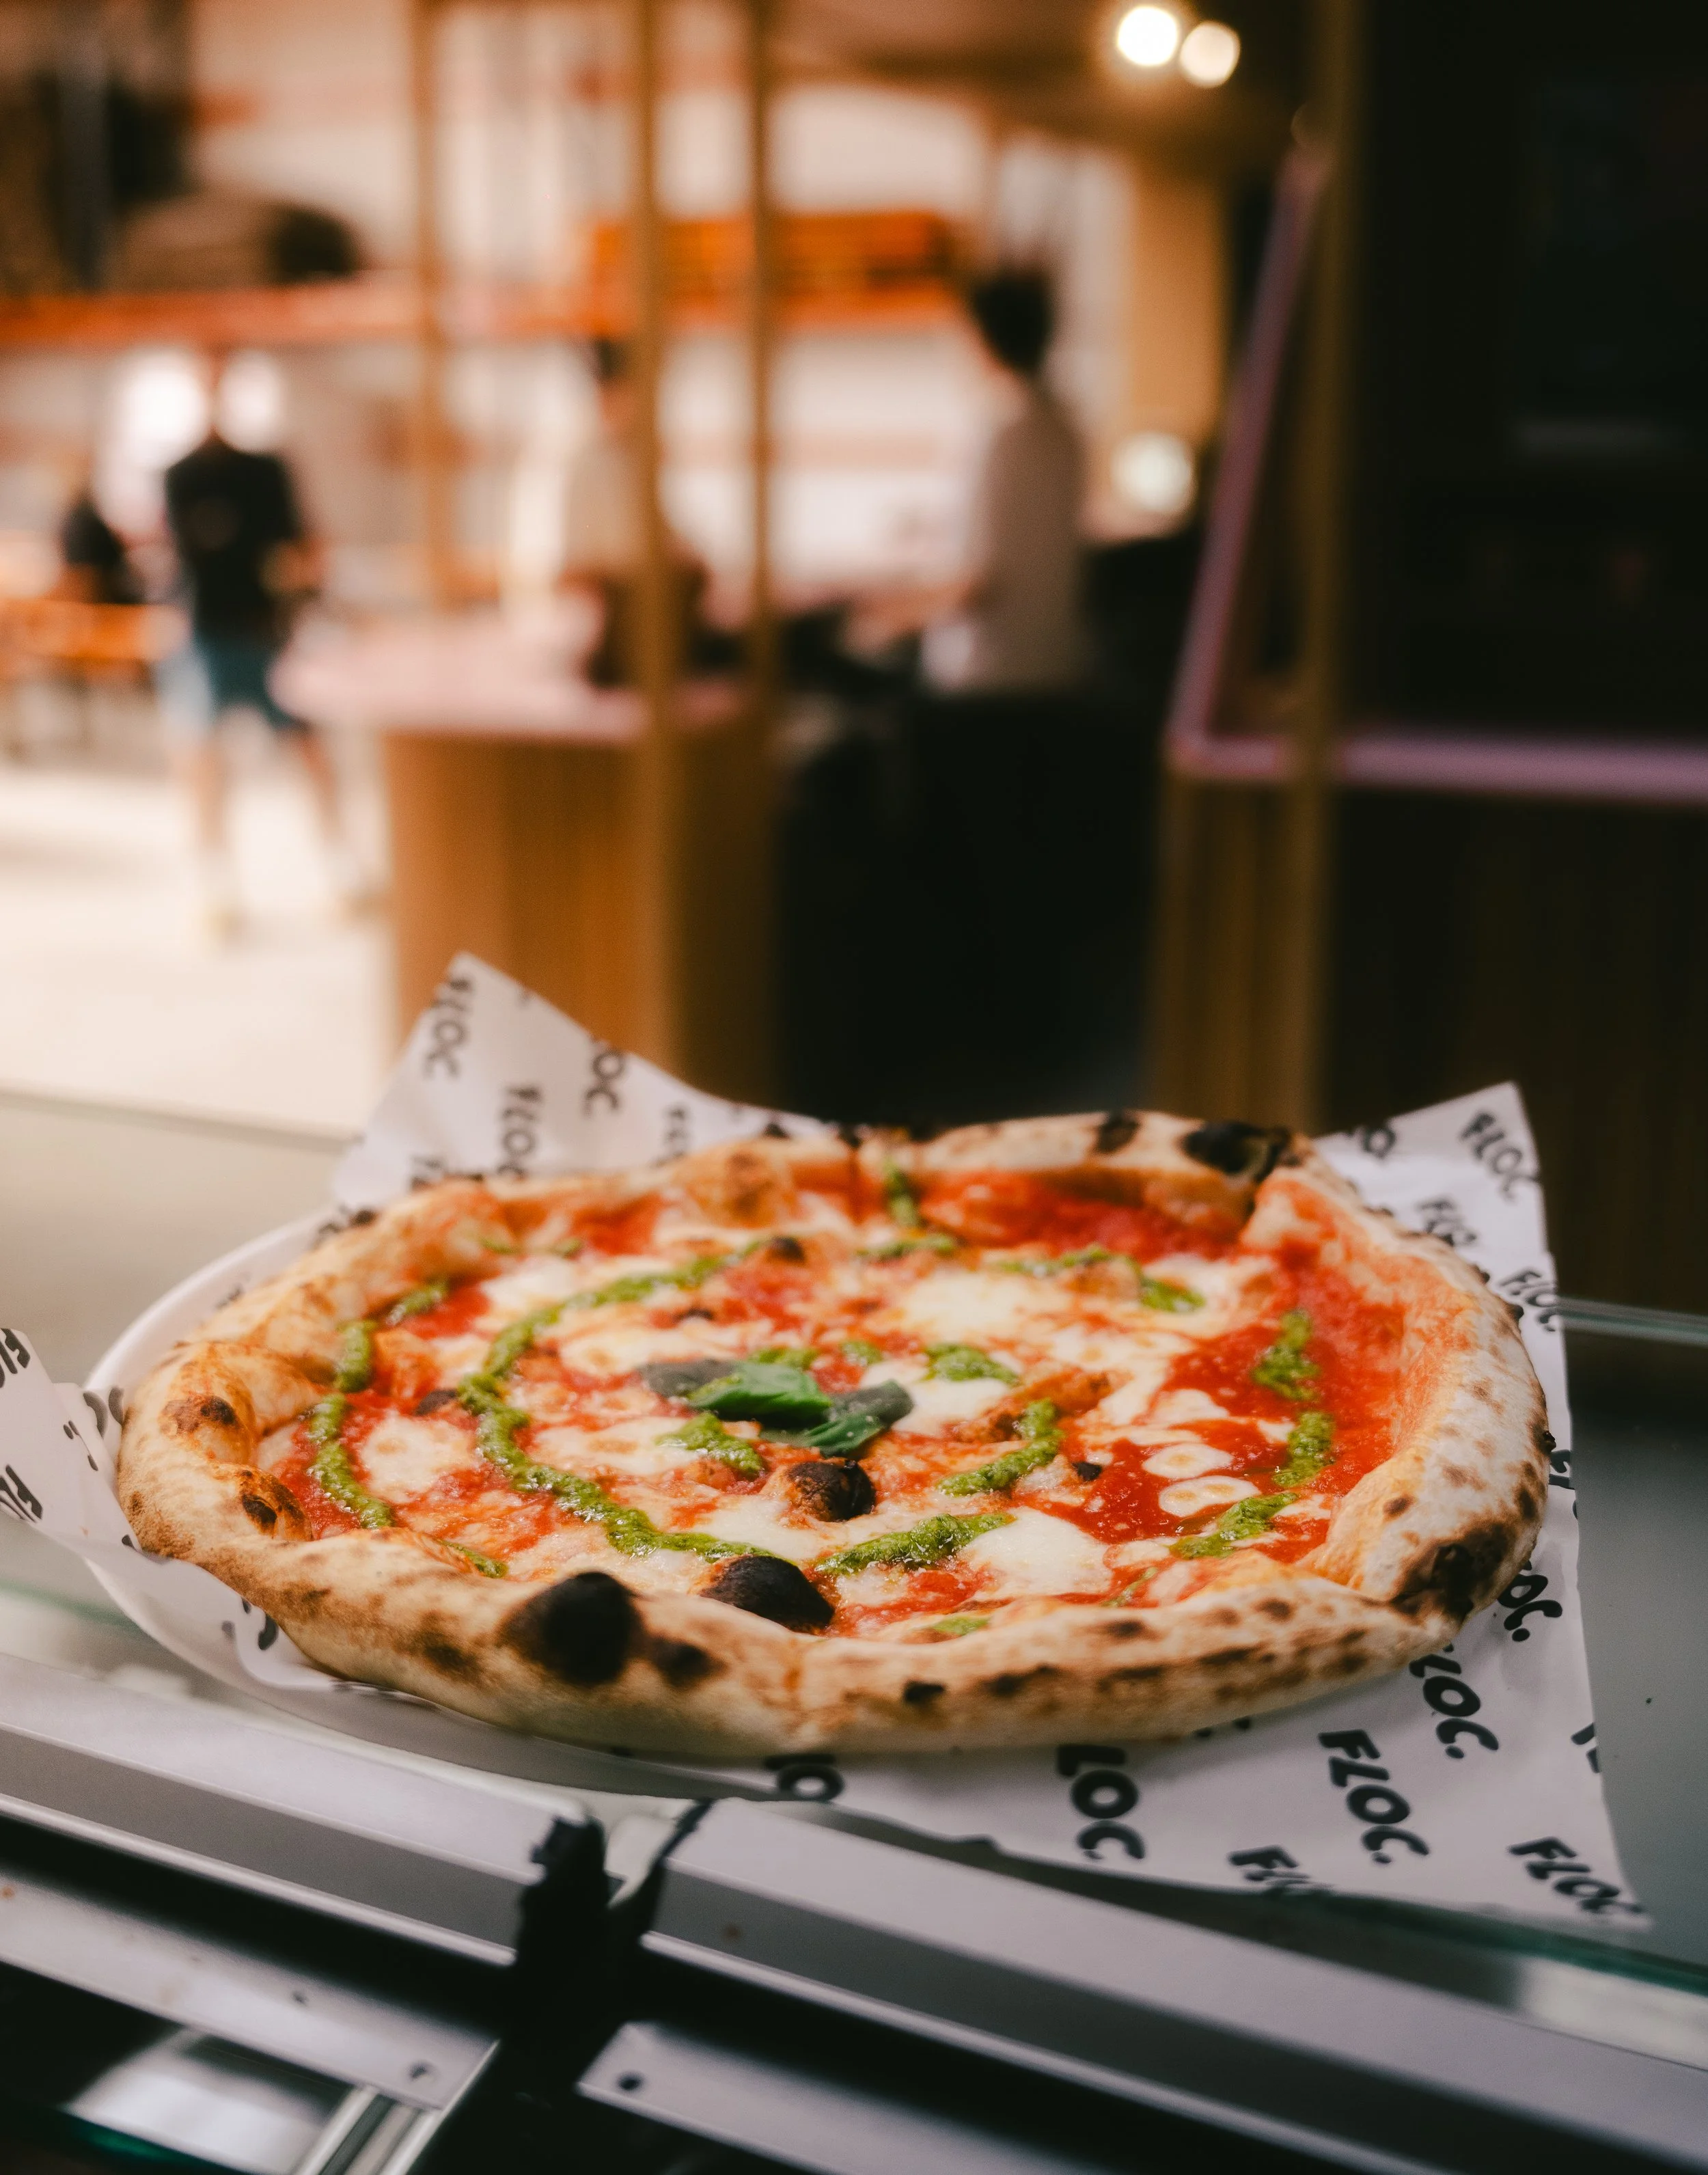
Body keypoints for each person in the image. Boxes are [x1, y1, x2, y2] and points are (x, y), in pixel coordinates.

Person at [158, 351, 357, 938]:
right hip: (206, 629)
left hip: (268, 628)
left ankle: (338, 862)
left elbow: (300, 544)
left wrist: (307, 589)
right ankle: (213, 879)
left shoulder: (268, 470)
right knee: (201, 756)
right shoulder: (180, 473)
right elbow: (178, 557)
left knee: (309, 750)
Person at [926, 266, 1088, 693]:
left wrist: (884, 616)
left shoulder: (997, 431)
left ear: (983, 339)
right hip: (1054, 665)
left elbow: (977, 580)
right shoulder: (1066, 427)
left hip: (988, 675)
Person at [559, 338, 707, 687]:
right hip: (610, 619)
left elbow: (665, 538)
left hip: (633, 609)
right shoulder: (587, 462)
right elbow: (594, 567)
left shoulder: (630, 457)